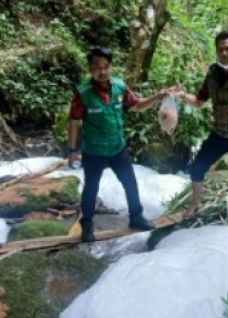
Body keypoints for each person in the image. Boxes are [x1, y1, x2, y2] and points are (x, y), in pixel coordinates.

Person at [67, 46, 169, 242]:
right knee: (91, 189)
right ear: (90, 68)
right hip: (94, 150)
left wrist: (158, 97)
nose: (102, 71)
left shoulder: (120, 88)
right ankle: (87, 226)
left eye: (106, 66)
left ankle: (136, 218)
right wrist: (72, 150)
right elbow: (73, 122)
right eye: (97, 67)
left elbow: (137, 105)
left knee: (130, 182)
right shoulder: (83, 93)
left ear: (111, 67)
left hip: (117, 148)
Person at [172, 31, 228, 224]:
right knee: (197, 169)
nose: (224, 53)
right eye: (220, 49)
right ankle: (195, 204)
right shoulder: (212, 74)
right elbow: (198, 101)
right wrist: (182, 95)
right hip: (219, 133)